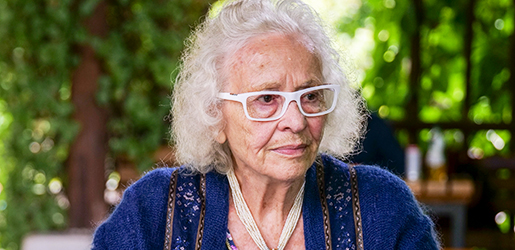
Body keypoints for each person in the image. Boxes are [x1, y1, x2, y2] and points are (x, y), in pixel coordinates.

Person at [91, 0, 439, 249]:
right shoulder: (153, 213)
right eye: (267, 99)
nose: (296, 120)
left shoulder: (381, 206)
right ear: (216, 116)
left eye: (310, 96)